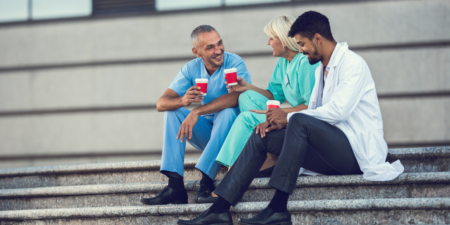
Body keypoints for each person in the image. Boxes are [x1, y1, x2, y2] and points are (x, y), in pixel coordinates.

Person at [177, 11, 404, 225]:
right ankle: (220, 209)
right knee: (262, 134)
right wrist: (276, 123)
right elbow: (314, 109)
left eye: (303, 44)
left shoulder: (352, 64)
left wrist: (287, 117)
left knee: (298, 120)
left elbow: (338, 112)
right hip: (328, 151)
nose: (301, 50)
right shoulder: (320, 70)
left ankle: (278, 207)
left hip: (355, 152)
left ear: (317, 39)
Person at [198, 15, 319, 204]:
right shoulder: (283, 62)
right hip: (285, 115)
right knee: (245, 97)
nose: (268, 42)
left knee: (246, 118)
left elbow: (310, 106)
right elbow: (272, 96)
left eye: (272, 38)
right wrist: (246, 86)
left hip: (299, 121)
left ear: (284, 40)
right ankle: (266, 154)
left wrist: (280, 113)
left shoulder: (305, 63)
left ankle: (232, 173)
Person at [140, 25, 251, 206]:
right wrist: (182, 101)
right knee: (172, 112)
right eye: (210, 47)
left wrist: (197, 111)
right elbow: (161, 103)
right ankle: (175, 187)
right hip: (210, 135)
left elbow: (237, 97)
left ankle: (206, 183)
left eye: (219, 43)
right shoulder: (191, 68)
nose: (218, 50)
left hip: (234, 138)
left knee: (228, 112)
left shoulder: (234, 62)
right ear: (196, 52)